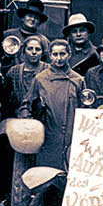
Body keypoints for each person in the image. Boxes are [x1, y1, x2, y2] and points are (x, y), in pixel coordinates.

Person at [19, 39, 84, 170]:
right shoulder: (40, 79)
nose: (59, 58)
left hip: (72, 136)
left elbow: (85, 108)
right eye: (55, 54)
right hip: (49, 136)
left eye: (62, 54)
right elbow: (27, 104)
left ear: (69, 55)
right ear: (49, 56)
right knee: (47, 175)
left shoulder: (78, 80)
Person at [4, 36, 49, 116]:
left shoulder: (48, 70)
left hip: (42, 117)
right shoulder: (14, 72)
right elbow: (6, 98)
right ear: (24, 51)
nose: (34, 52)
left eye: (38, 49)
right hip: (17, 118)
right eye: (30, 49)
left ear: (42, 52)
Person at [1, 0, 51, 68]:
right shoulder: (8, 35)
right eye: (30, 15)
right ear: (22, 18)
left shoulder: (44, 41)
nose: (32, 19)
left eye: (36, 17)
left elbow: (48, 65)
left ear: (40, 22)